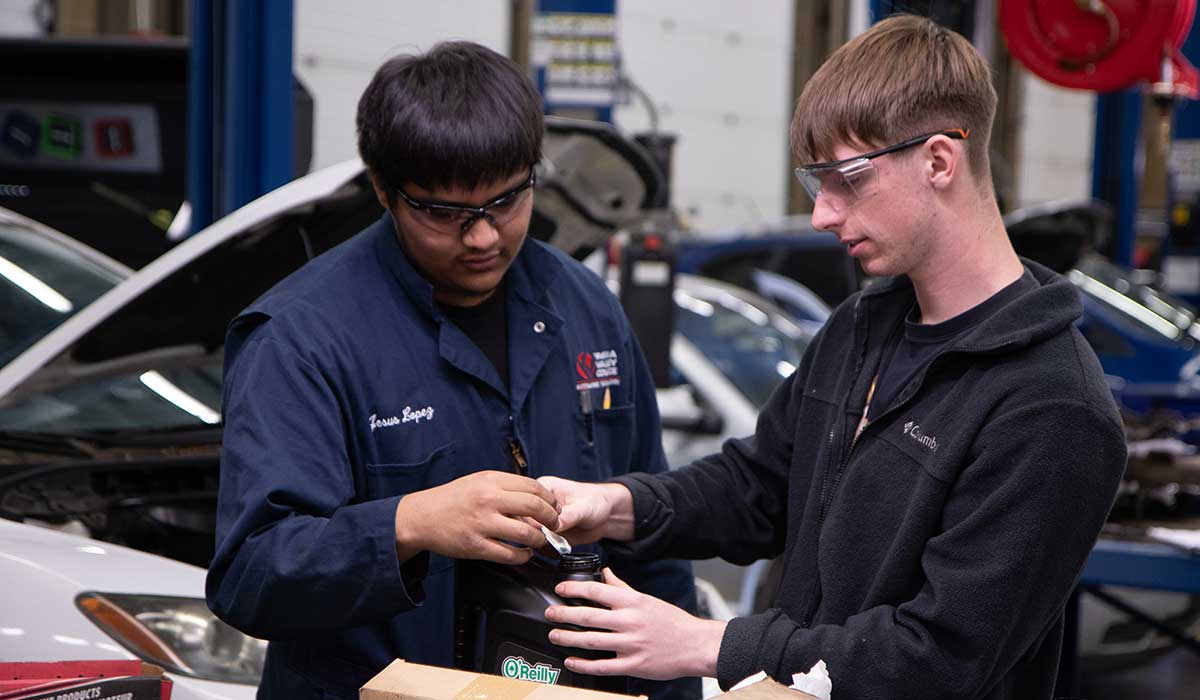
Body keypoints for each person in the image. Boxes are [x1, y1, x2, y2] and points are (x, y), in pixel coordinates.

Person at [538, 14, 1127, 700]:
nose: (822, 214)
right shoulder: (861, 327)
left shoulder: (1053, 404)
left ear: (939, 160)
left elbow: (938, 659)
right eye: (817, 184)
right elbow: (760, 487)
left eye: (847, 179)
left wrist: (708, 644)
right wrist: (614, 505)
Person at [206, 41, 697, 700]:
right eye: (444, 213)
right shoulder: (302, 340)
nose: (483, 238)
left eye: (505, 201)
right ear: (383, 189)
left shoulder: (584, 309)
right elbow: (250, 576)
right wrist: (408, 523)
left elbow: (650, 539)